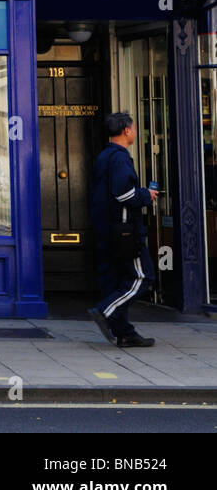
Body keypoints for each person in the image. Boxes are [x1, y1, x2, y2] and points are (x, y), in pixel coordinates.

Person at [88, 112, 156, 348]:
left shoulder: (104, 156)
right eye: (134, 128)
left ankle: (124, 332)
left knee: (115, 280)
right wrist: (147, 195)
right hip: (125, 231)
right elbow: (124, 194)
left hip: (107, 229)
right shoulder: (120, 158)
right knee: (142, 277)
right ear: (127, 130)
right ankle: (104, 311)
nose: (135, 132)